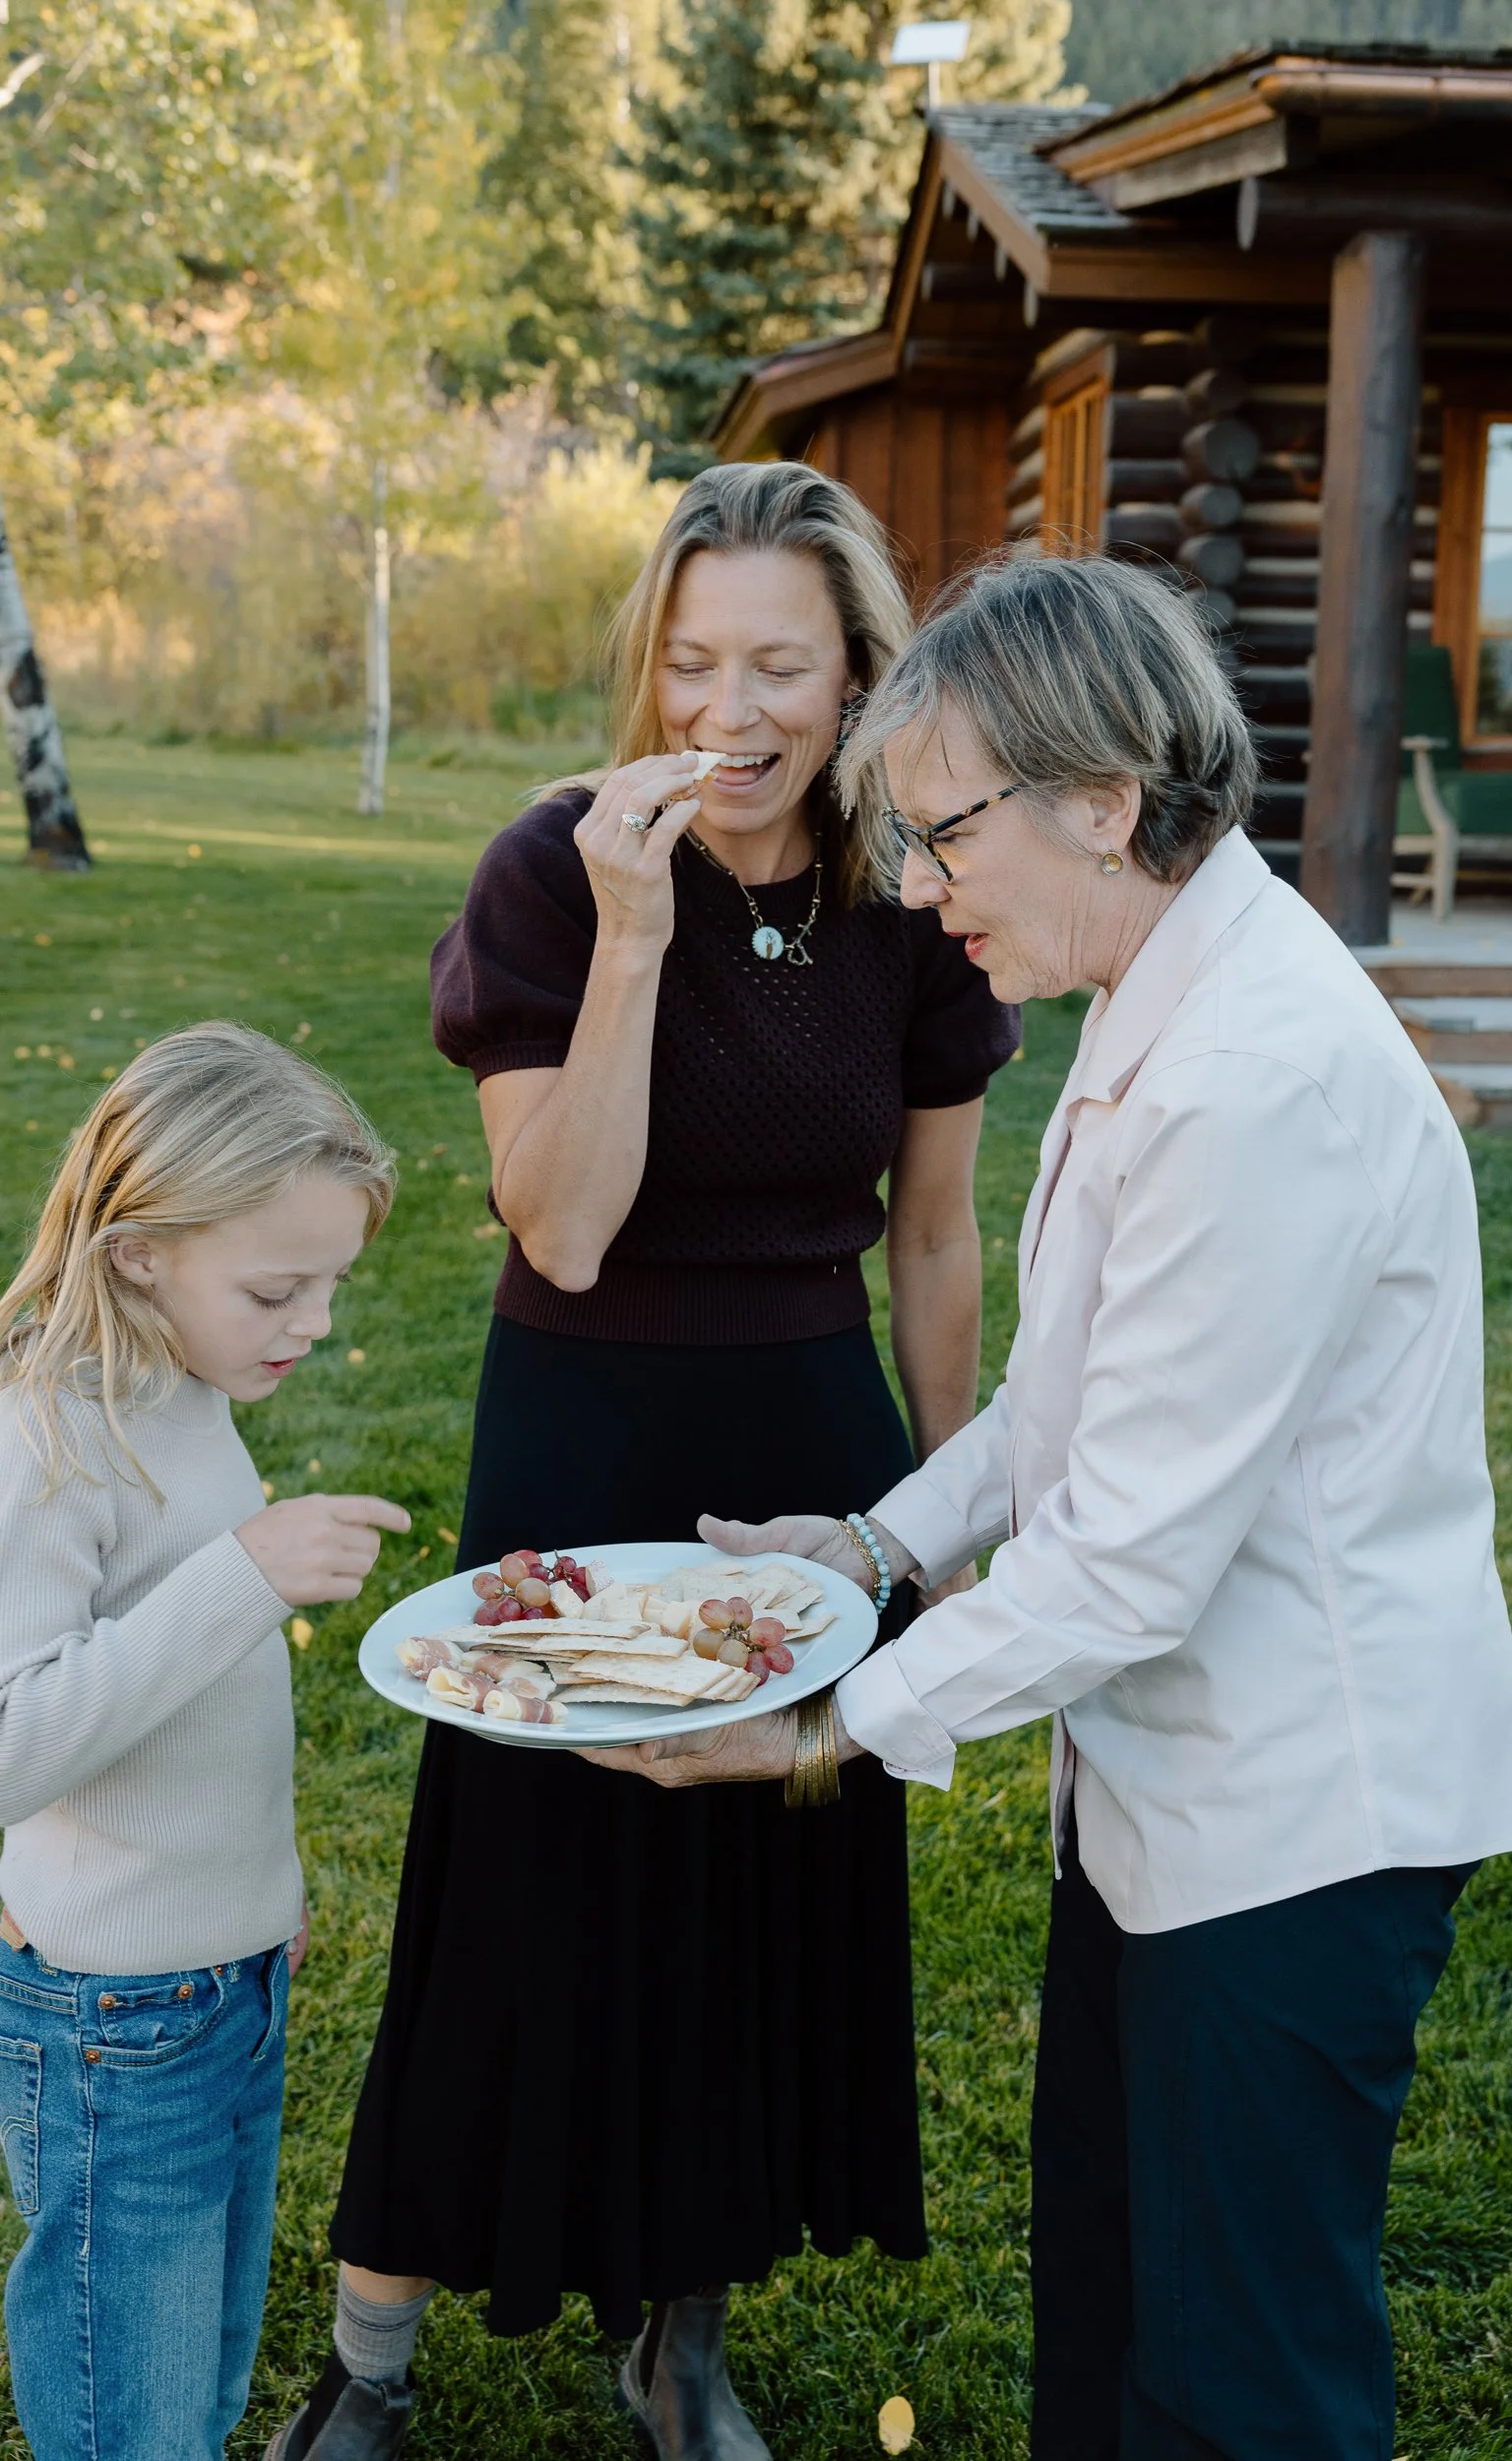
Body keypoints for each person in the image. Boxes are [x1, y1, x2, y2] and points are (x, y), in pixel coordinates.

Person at [592, 552, 1512, 2461]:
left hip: (1294, 1830)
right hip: (1165, 1811)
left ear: (1101, 800)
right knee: (1112, 2322)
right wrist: (871, 1546)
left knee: (1234, 2387)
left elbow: (1122, 1561)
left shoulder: (1252, 1072)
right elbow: (1066, 1400)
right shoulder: (1159, 983)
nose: (923, 887)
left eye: (943, 834)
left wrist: (812, 1727)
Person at [276, 464, 1020, 2461]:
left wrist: (937, 1511)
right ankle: (370, 2345)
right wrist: (627, 933)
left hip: (803, 1444)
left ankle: (675, 2336)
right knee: (518, 1881)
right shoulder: (553, 867)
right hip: (582, 1430)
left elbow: (933, 1231)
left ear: (859, 668)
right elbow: (568, 1226)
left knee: (747, 1901)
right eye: (691, 657)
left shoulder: (913, 887)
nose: (737, 701)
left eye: (782, 658)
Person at [0, 1023, 408, 2461]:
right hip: (114, 2022)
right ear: (139, 1253)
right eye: (275, 1288)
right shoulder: (46, 1435)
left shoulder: (183, 1393)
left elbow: (199, 1727)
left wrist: (259, 1899)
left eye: (331, 1287)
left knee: (204, 2378)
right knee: (135, 2411)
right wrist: (239, 1575)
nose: (307, 1323)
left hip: (223, 1985)